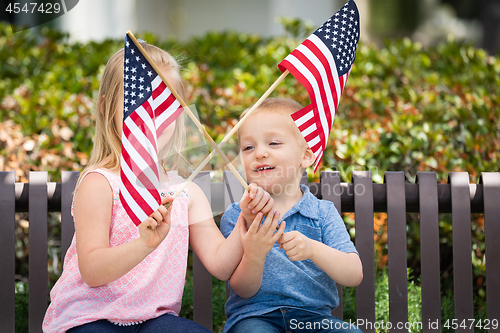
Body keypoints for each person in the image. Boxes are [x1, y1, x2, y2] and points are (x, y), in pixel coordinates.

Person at [42, 42, 273, 333]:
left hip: (155, 320)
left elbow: (220, 263)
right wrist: (143, 245)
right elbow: (91, 271)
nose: (153, 115)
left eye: (166, 102)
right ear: (105, 108)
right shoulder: (100, 183)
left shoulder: (187, 192)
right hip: (90, 317)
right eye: (141, 102)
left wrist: (247, 222)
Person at [220, 97, 364, 333]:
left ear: (306, 156)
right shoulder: (238, 215)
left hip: (314, 319)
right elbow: (243, 290)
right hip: (255, 318)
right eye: (248, 147)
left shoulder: (322, 213)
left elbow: (353, 273)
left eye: (274, 143)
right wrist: (254, 255)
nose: (260, 153)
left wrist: (313, 250)